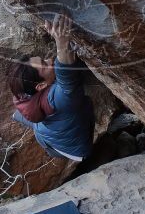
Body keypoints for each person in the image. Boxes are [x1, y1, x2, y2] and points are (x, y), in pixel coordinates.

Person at [8, 14, 94, 161]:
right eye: (45, 64)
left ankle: (23, 116)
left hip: (43, 134)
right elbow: (67, 77)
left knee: (28, 111)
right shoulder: (60, 99)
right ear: (41, 85)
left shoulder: (21, 92)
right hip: (72, 150)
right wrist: (61, 42)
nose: (50, 60)